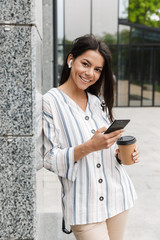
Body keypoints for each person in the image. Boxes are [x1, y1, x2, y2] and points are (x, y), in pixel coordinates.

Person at [43, 34, 139, 240]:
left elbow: (107, 151)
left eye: (97, 69)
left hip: (118, 197)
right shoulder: (50, 102)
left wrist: (120, 155)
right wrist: (89, 146)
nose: (90, 73)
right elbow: (49, 159)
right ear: (71, 60)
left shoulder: (97, 102)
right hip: (84, 207)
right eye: (85, 64)